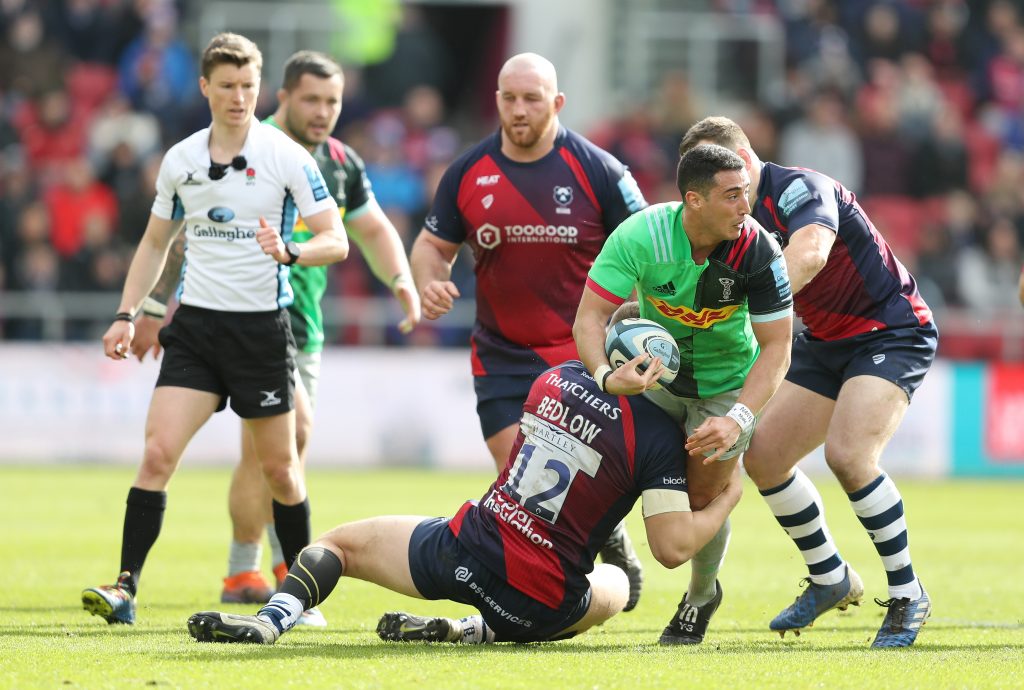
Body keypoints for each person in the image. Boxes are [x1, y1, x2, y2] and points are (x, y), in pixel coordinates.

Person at [129, 50, 421, 622]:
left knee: (282, 453)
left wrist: (402, 279)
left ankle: (251, 570)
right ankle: (260, 568)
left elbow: (368, 228)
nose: (322, 112)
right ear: (281, 97)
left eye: (332, 101)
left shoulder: (339, 162)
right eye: (310, 99)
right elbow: (182, 234)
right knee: (278, 446)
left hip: (301, 325)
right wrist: (152, 305)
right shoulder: (248, 147)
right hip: (242, 318)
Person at [185, 355, 743, 646]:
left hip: (467, 550)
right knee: (617, 585)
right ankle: (473, 631)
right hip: (541, 605)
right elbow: (671, 549)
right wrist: (726, 498)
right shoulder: (658, 438)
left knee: (338, 544)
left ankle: (273, 619)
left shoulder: (552, 379)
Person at [81, 33, 349, 625]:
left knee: (281, 469)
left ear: (260, 89)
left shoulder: (287, 156)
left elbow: (338, 238)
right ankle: (125, 588)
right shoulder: (181, 159)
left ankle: (297, 592)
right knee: (156, 455)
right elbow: (157, 242)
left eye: (248, 87)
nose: (238, 97)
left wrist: (292, 252)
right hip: (198, 331)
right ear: (204, 86)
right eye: (227, 86)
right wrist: (130, 312)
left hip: (260, 332)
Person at [680, 116, 938, 648]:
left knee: (849, 455)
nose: (732, 191)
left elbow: (811, 253)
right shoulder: (730, 222)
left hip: (890, 328)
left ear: (749, 156)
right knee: (765, 455)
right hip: (826, 339)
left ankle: (909, 593)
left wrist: (742, 309)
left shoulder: (802, 187)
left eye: (735, 173)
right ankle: (829, 577)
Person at [409, 52, 649, 609]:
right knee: (520, 480)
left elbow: (651, 250)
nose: (519, 110)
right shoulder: (467, 172)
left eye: (532, 98)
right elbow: (431, 245)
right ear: (496, 100)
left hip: (578, 356)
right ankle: (571, 578)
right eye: (509, 98)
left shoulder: (600, 171)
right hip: (500, 355)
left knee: (575, 482)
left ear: (557, 102)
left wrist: (636, 322)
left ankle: (591, 559)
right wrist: (429, 280)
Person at [573, 144, 794, 645]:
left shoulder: (759, 249)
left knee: (701, 498)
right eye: (733, 196)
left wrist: (738, 418)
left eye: (748, 194)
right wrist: (607, 377)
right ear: (693, 200)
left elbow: (778, 347)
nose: (746, 206)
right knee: (595, 455)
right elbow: (588, 319)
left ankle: (700, 595)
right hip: (655, 381)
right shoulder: (640, 235)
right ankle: (582, 558)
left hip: (725, 388)